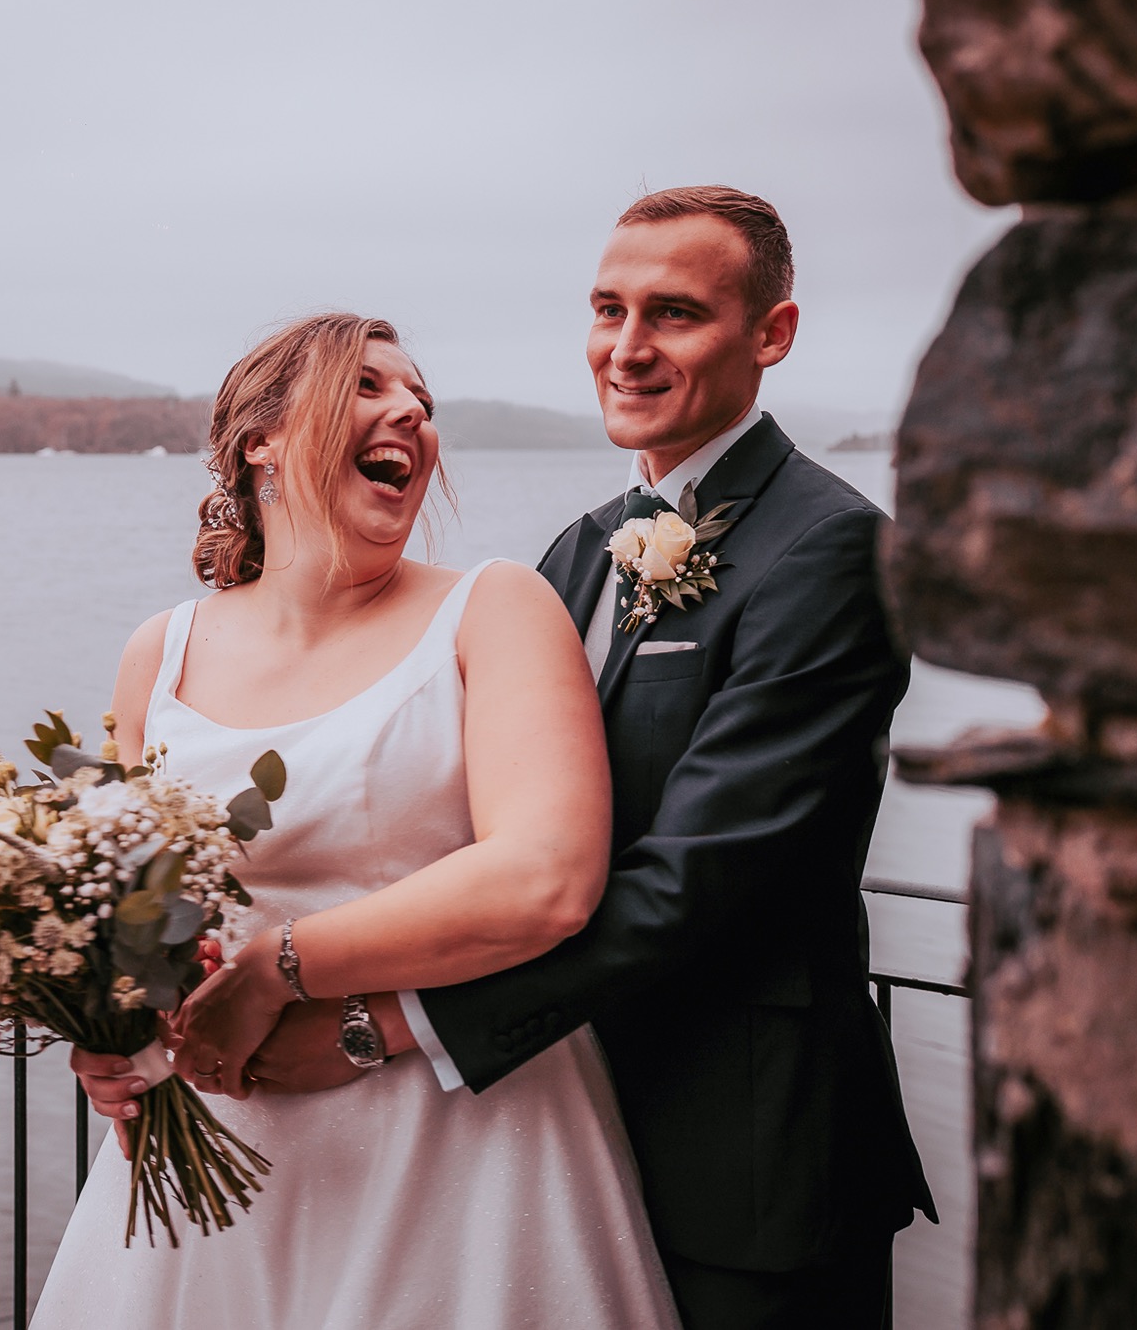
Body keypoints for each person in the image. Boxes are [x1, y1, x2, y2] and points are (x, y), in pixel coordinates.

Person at [79, 186, 936, 1329]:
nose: (626, 348)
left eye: (672, 314)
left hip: (736, 1137)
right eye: (606, 309)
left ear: (768, 335)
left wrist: (369, 1020)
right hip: (532, 1090)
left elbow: (687, 880)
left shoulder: (827, 549)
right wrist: (115, 1026)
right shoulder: (573, 556)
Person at [30, 313, 681, 1328]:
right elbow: (131, 913)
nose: (410, 412)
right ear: (263, 441)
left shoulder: (492, 608)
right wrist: (107, 1032)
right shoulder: (160, 650)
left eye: (420, 399)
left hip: (456, 1138)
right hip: (215, 1140)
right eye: (370, 385)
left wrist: (276, 965)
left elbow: (544, 877)